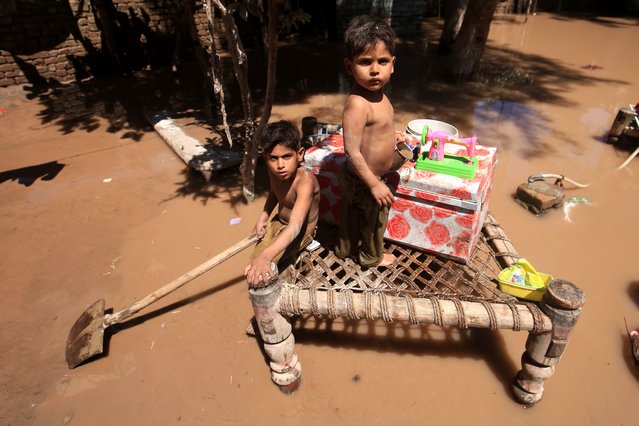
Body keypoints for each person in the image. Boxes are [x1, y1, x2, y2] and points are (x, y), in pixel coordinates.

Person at [335, 15, 400, 268]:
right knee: (374, 221)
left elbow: (379, 128)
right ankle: (373, 257)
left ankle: (344, 249)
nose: (375, 69)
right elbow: (351, 151)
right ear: (349, 66)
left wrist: (394, 136)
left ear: (392, 65)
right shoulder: (357, 104)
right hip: (364, 179)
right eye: (365, 62)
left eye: (382, 61)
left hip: (363, 178)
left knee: (350, 217)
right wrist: (374, 184)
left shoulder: (381, 96)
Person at [244, 120, 320, 287]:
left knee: (269, 269)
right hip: (278, 222)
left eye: (287, 156)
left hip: (299, 233)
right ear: (266, 158)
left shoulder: (305, 181)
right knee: (253, 264)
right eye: (274, 158)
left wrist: (266, 256)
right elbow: (274, 193)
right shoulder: (276, 173)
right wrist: (263, 217)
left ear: (299, 154)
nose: (280, 165)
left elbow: (294, 227)